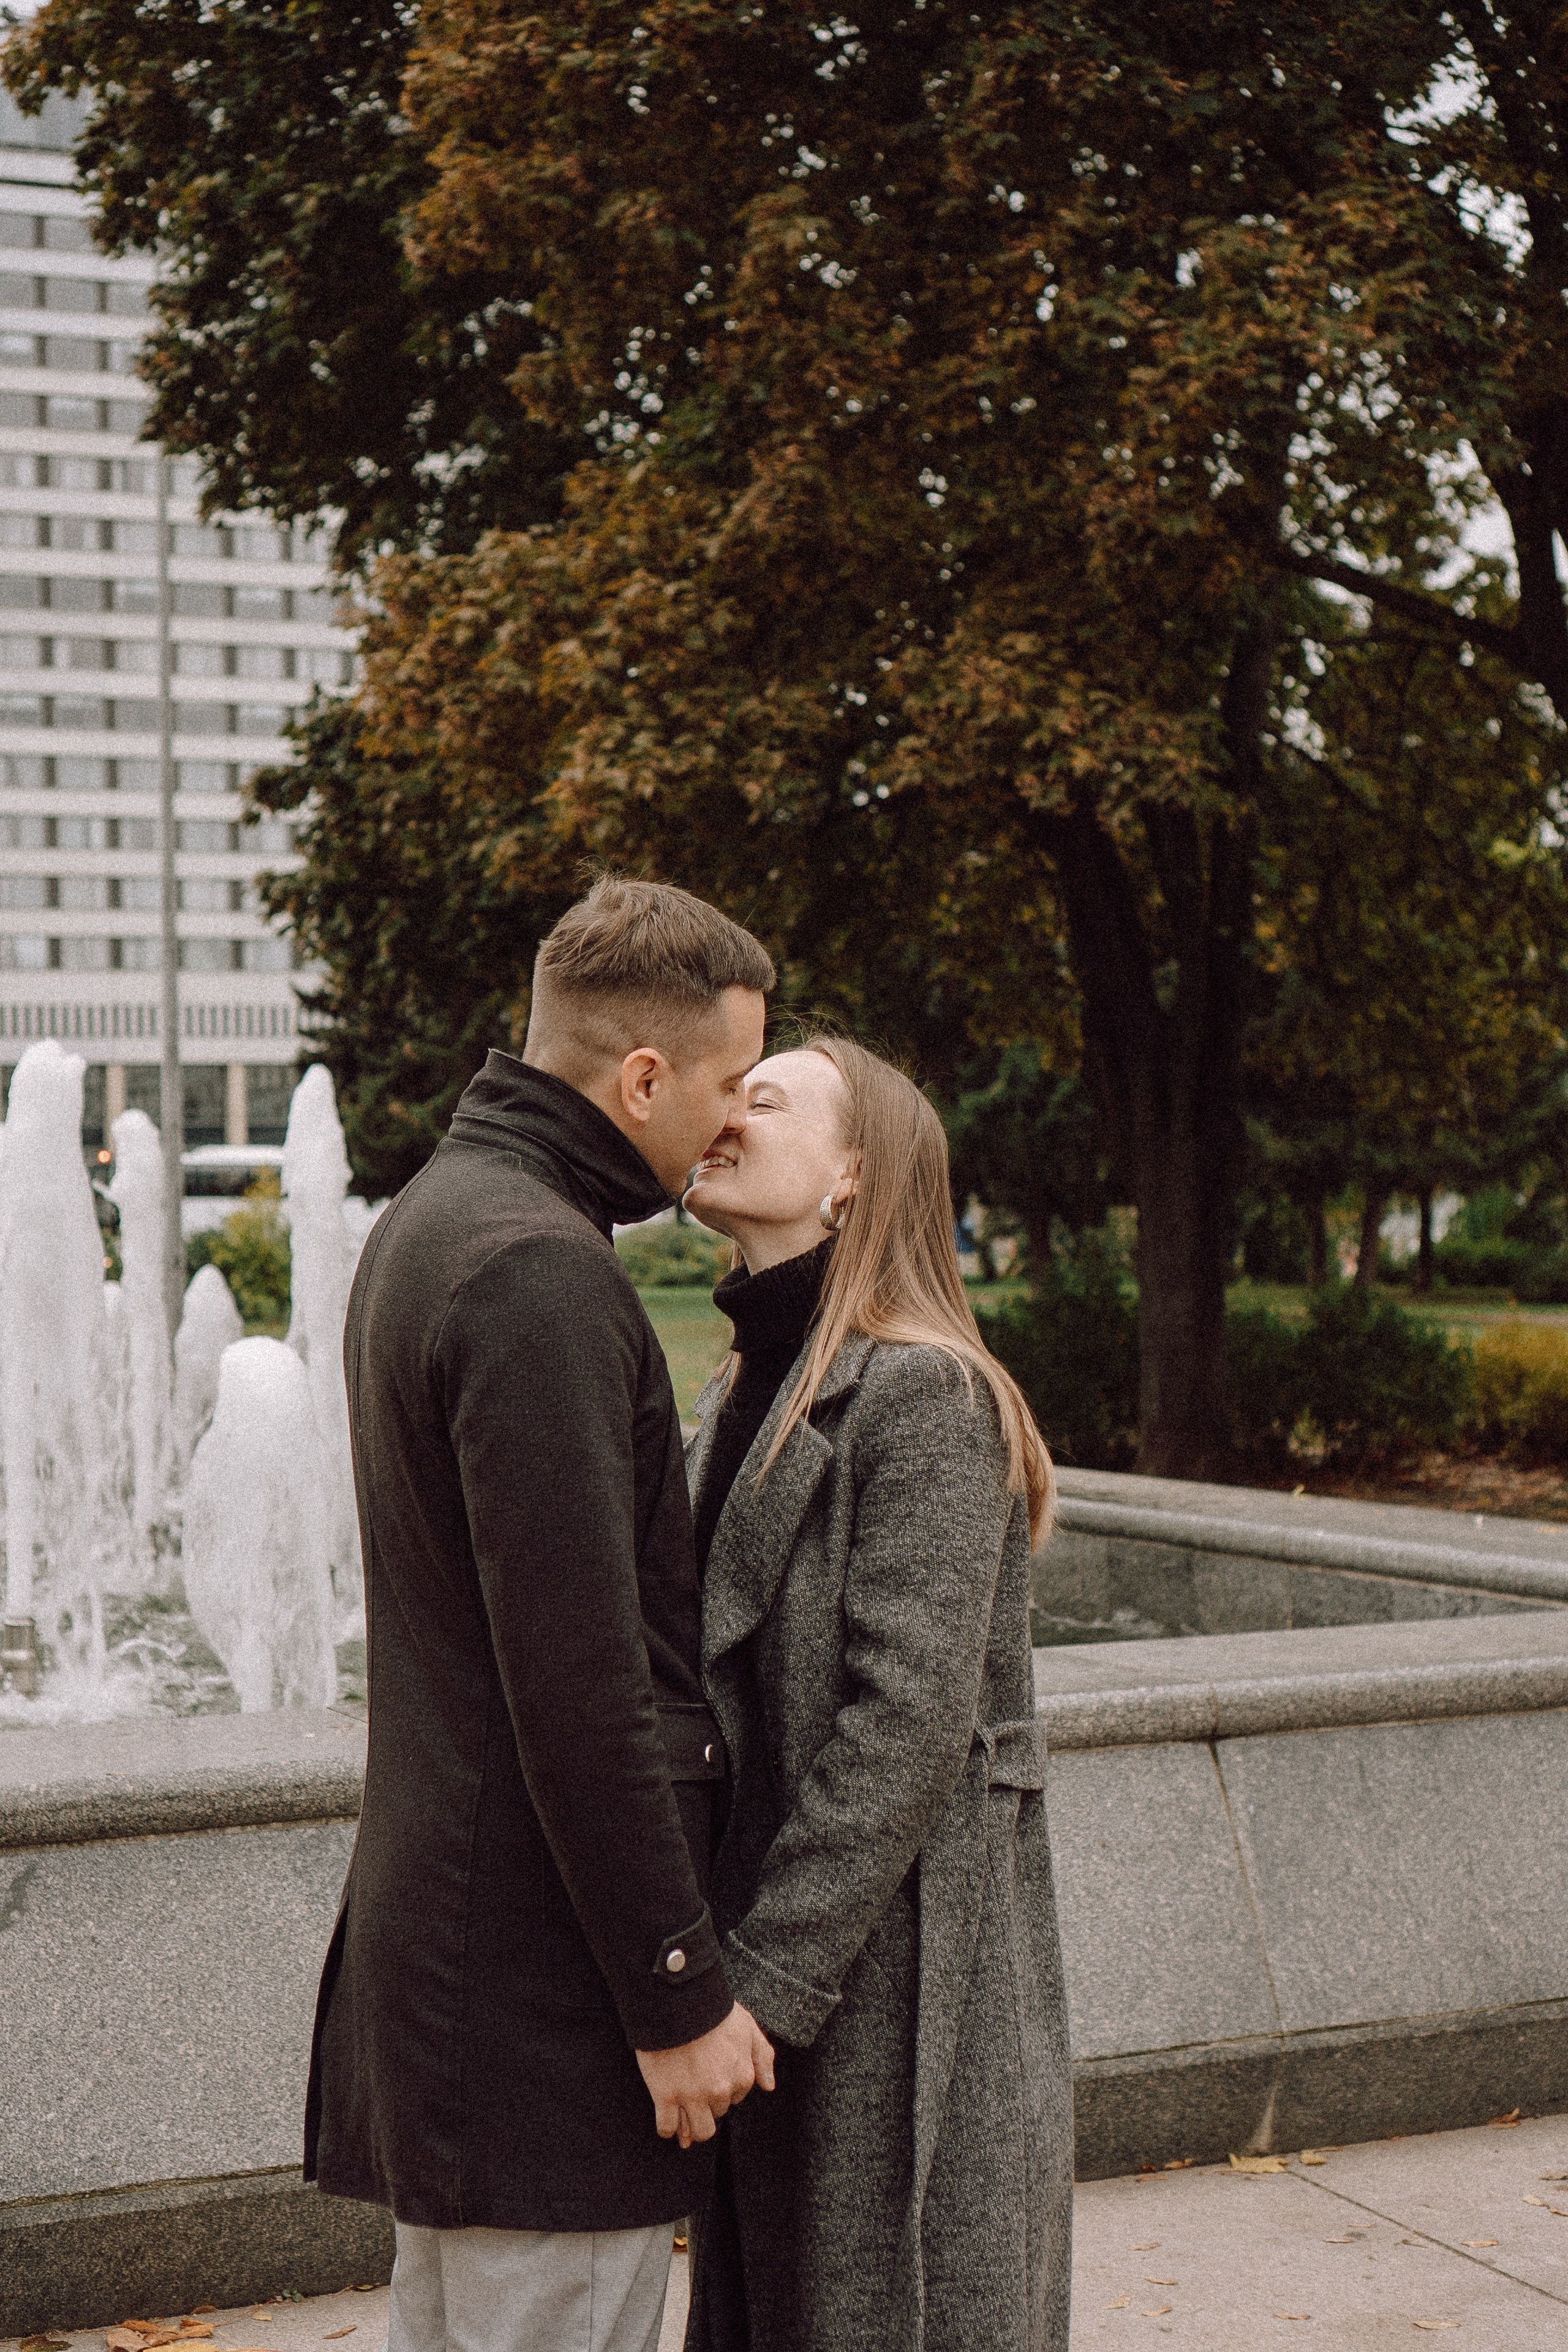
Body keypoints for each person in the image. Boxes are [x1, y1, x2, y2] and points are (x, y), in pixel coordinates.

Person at [304, 876, 780, 2352]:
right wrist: (677, 1995)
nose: (732, 1122)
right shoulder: (537, 1274)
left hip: (472, 1980)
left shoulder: (438, 1223)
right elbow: (581, 1691)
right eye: (722, 1084)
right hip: (538, 2007)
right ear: (640, 1076)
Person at [682, 1036, 1073, 2352]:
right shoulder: (743, 1381)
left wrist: (759, 1988)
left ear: (850, 1176)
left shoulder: (922, 1394)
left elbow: (901, 1731)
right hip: (780, 1955)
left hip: (890, 1975)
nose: (723, 1111)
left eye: (763, 1096)